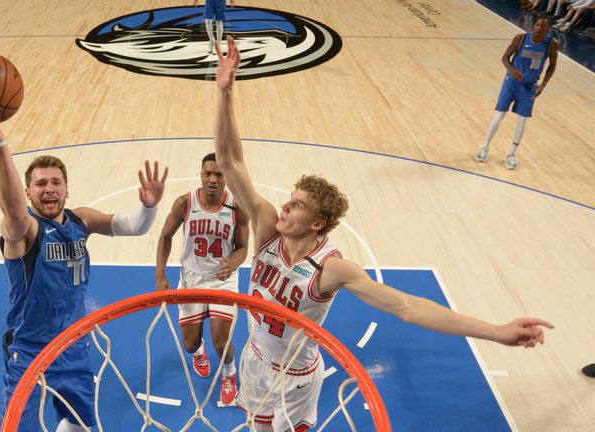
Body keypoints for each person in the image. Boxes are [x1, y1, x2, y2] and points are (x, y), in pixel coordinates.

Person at [214, 36, 554, 431]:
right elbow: (229, 159)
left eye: (297, 205)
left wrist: (496, 332)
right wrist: (225, 94)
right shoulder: (266, 225)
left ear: (317, 223)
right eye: (289, 200)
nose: (285, 207)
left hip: (295, 377)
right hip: (255, 357)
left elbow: (407, 307)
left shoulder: (332, 269)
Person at [0, 102, 168, 432]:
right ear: (28, 192)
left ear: (67, 189)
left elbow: (134, 226)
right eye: (40, 184)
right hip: (29, 349)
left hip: (72, 343)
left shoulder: (81, 220)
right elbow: (13, 213)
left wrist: (148, 207)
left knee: (80, 425)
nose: (49, 188)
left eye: (56, 182)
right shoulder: (24, 231)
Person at [155, 152, 249, 404]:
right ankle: (198, 352)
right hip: (191, 278)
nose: (213, 179)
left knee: (220, 342)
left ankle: (229, 373)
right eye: (208, 173)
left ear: (226, 177)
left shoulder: (237, 207)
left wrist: (233, 264)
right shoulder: (185, 203)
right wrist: (160, 274)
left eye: (219, 174)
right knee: (189, 344)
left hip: (222, 280)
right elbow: (165, 236)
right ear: (201, 175)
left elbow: (243, 248)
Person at [476, 17, 558, 170]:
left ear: (548, 30)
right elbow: (505, 57)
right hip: (511, 83)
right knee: (499, 115)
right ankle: (485, 146)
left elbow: (552, 66)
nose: (539, 28)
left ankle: (511, 154)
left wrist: (543, 85)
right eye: (537, 24)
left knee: (522, 121)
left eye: (543, 26)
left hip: (529, 87)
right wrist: (512, 70)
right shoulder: (521, 38)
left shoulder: (552, 44)